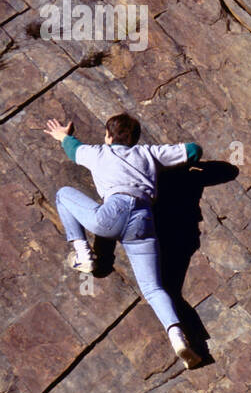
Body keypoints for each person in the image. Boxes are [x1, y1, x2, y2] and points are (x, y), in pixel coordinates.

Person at [43, 112, 201, 370]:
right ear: (136, 139)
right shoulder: (149, 153)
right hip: (143, 221)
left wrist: (63, 135)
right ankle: (177, 336)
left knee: (63, 195)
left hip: (109, 216)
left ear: (108, 136)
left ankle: (83, 253)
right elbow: (193, 150)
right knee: (153, 288)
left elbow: (73, 151)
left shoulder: (98, 153)